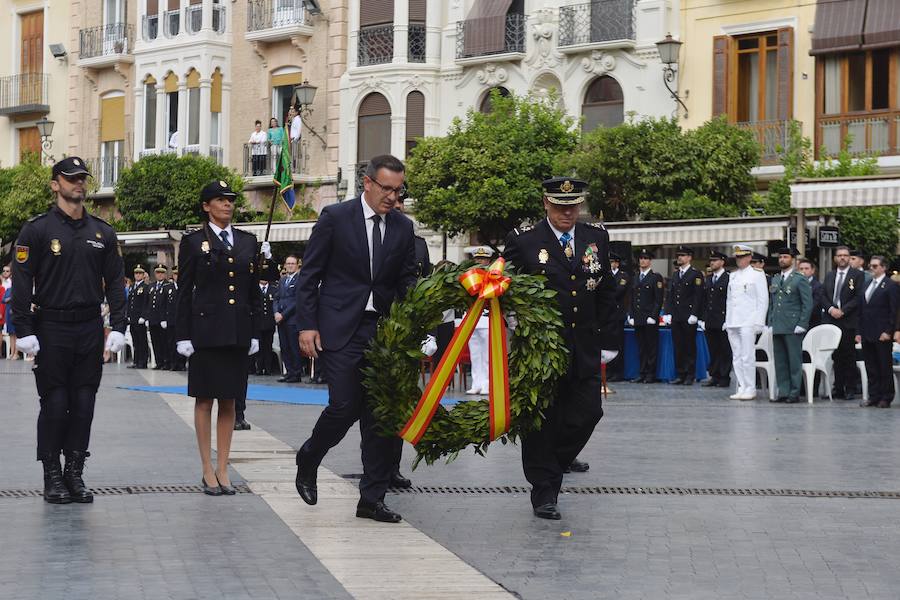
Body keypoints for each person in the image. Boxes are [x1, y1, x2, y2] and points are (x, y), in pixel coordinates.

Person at [293, 154, 417, 523]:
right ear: (367, 183)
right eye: (387, 189)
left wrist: (420, 315)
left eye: (399, 190)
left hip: (384, 331)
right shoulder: (335, 218)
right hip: (340, 328)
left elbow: (406, 279)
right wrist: (307, 325)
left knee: (381, 416)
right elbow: (310, 274)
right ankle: (310, 456)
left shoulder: (403, 228)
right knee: (344, 406)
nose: (393, 197)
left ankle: (372, 498)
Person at [11, 156, 126, 504]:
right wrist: (24, 328)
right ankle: (52, 474)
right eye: (71, 178)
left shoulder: (102, 232)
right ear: (55, 184)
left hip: (89, 327)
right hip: (51, 327)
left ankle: (75, 472)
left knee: (84, 403)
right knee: (55, 403)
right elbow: (21, 281)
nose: (79, 183)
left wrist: (119, 325)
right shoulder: (37, 229)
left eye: (82, 178)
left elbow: (116, 284)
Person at [503, 177, 617, 520]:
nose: (568, 212)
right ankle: (544, 491)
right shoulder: (523, 241)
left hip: (584, 345)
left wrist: (609, 340)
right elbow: (505, 285)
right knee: (542, 420)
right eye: (560, 206)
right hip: (540, 349)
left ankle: (552, 463)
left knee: (589, 412)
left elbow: (607, 290)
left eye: (573, 206)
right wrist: (513, 320)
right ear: (545, 203)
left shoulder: (596, 236)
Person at [174, 180, 263, 496]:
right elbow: (184, 291)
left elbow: (253, 292)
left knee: (230, 401)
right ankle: (207, 468)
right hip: (206, 332)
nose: (227, 204)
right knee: (204, 400)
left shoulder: (247, 241)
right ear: (206, 206)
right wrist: (182, 334)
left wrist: (256, 331)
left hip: (238, 330)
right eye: (220, 200)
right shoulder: (194, 242)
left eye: (230, 200)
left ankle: (224, 468)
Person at [767, 248, 813, 404]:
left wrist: (802, 323)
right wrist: (770, 321)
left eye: (785, 257)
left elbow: (807, 304)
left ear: (793, 260)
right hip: (778, 324)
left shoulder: (799, 278)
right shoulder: (775, 278)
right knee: (780, 361)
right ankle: (783, 391)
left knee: (794, 361)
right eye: (780, 257)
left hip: (793, 326)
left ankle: (794, 393)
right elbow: (772, 303)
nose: (782, 259)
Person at [821, 246, 866, 401]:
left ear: (849, 258)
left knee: (848, 356)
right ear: (835, 258)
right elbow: (824, 295)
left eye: (845, 255)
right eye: (839, 255)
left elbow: (859, 297)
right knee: (836, 356)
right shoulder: (829, 275)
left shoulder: (857, 275)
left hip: (848, 320)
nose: (842, 258)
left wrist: (843, 310)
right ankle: (837, 388)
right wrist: (831, 309)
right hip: (831, 320)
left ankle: (850, 388)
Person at [725, 244, 769, 401]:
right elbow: (730, 300)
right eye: (737, 257)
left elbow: (763, 299)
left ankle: (750, 388)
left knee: (747, 355)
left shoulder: (757, 274)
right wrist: (727, 320)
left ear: (750, 257)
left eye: (742, 256)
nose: (739, 260)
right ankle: (742, 386)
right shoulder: (733, 275)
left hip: (748, 320)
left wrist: (759, 321)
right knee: (736, 356)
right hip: (733, 320)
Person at [856, 256, 899, 408]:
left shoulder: (890, 285)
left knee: (883, 366)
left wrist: (889, 330)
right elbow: (861, 309)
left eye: (875, 266)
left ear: (883, 267)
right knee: (871, 366)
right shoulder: (867, 284)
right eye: (870, 266)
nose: (871, 269)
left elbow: (894, 311)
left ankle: (886, 396)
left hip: (882, 332)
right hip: (867, 331)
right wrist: (859, 331)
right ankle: (873, 395)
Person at [662, 246, 704, 385]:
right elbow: (670, 295)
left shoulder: (695, 274)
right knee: (678, 346)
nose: (679, 257)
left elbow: (698, 297)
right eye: (678, 255)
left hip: (688, 316)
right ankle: (680, 373)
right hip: (677, 316)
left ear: (689, 257)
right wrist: (668, 312)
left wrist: (695, 314)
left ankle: (690, 374)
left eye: (683, 255)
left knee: (689, 347)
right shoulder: (675, 274)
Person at [629, 249, 664, 383]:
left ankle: (651, 373)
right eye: (641, 258)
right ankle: (642, 372)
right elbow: (632, 298)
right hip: (638, 318)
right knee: (641, 347)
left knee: (651, 348)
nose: (642, 260)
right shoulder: (635, 277)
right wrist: (631, 315)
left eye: (645, 258)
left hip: (649, 318)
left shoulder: (655, 277)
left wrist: (654, 316)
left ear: (650, 261)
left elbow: (658, 299)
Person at [699, 251, 731, 388]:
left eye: (715, 260)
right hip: (710, 320)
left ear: (722, 262)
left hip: (723, 319)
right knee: (713, 349)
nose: (712, 262)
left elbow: (730, 300)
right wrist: (703, 318)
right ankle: (714, 375)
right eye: (711, 260)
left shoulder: (728, 278)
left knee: (724, 349)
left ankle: (724, 377)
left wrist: (728, 319)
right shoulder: (708, 279)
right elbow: (704, 301)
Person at [466, 247, 492, 395]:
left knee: (487, 355)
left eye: (483, 259)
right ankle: (476, 383)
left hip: (487, 319)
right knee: (475, 355)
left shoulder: (493, 275)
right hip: (472, 319)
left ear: (488, 260)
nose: (480, 261)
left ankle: (487, 384)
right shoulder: (469, 275)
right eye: (477, 259)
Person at [274, 254, 303, 382]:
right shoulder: (282, 280)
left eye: (292, 263)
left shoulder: (300, 280)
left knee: (293, 347)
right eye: (288, 263)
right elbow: (276, 298)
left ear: (297, 265)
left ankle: (296, 373)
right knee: (284, 347)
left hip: (292, 319)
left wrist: (283, 315)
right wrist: (275, 312)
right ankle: (289, 371)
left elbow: (297, 301)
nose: (290, 266)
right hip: (280, 320)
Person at [606, 252, 631, 383]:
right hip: (607, 316)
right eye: (609, 262)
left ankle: (618, 372)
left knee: (618, 345)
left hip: (617, 315)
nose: (611, 264)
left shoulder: (623, 276)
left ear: (617, 263)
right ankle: (609, 371)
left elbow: (617, 291)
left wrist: (605, 293)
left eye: (613, 262)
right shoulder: (605, 276)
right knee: (608, 344)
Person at [145, 264, 173, 370]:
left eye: (162, 272)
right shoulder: (151, 286)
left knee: (164, 342)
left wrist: (164, 318)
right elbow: (147, 303)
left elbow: (167, 304)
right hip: (152, 319)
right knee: (155, 341)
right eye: (158, 272)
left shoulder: (168, 285)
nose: (160, 275)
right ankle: (159, 362)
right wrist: (147, 317)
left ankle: (167, 362)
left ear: (165, 274)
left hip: (162, 319)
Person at [254, 278, 278, 377]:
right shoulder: (255, 289)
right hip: (258, 323)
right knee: (259, 347)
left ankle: (268, 369)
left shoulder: (273, 289)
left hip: (269, 323)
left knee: (268, 346)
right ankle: (259, 368)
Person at [127, 265, 150, 368]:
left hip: (140, 318)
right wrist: (128, 315)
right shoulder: (132, 286)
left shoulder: (145, 287)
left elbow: (146, 303)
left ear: (143, 275)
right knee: (135, 341)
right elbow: (129, 302)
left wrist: (144, 316)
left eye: (140, 273)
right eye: (136, 273)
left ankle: (143, 362)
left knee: (142, 341)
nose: (137, 275)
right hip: (133, 318)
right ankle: (136, 361)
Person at [798, 258, 824, 329]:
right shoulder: (794, 285)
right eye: (801, 269)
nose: (803, 271)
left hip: (812, 322)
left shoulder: (818, 286)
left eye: (806, 268)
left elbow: (814, 305)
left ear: (812, 270)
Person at [167, 266, 185, 371]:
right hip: (171, 319)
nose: (177, 276)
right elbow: (163, 304)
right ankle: (173, 362)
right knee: (171, 342)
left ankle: (181, 363)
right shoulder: (168, 288)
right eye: (175, 274)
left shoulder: (186, 287)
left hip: (182, 319)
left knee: (182, 341)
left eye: (178, 274)